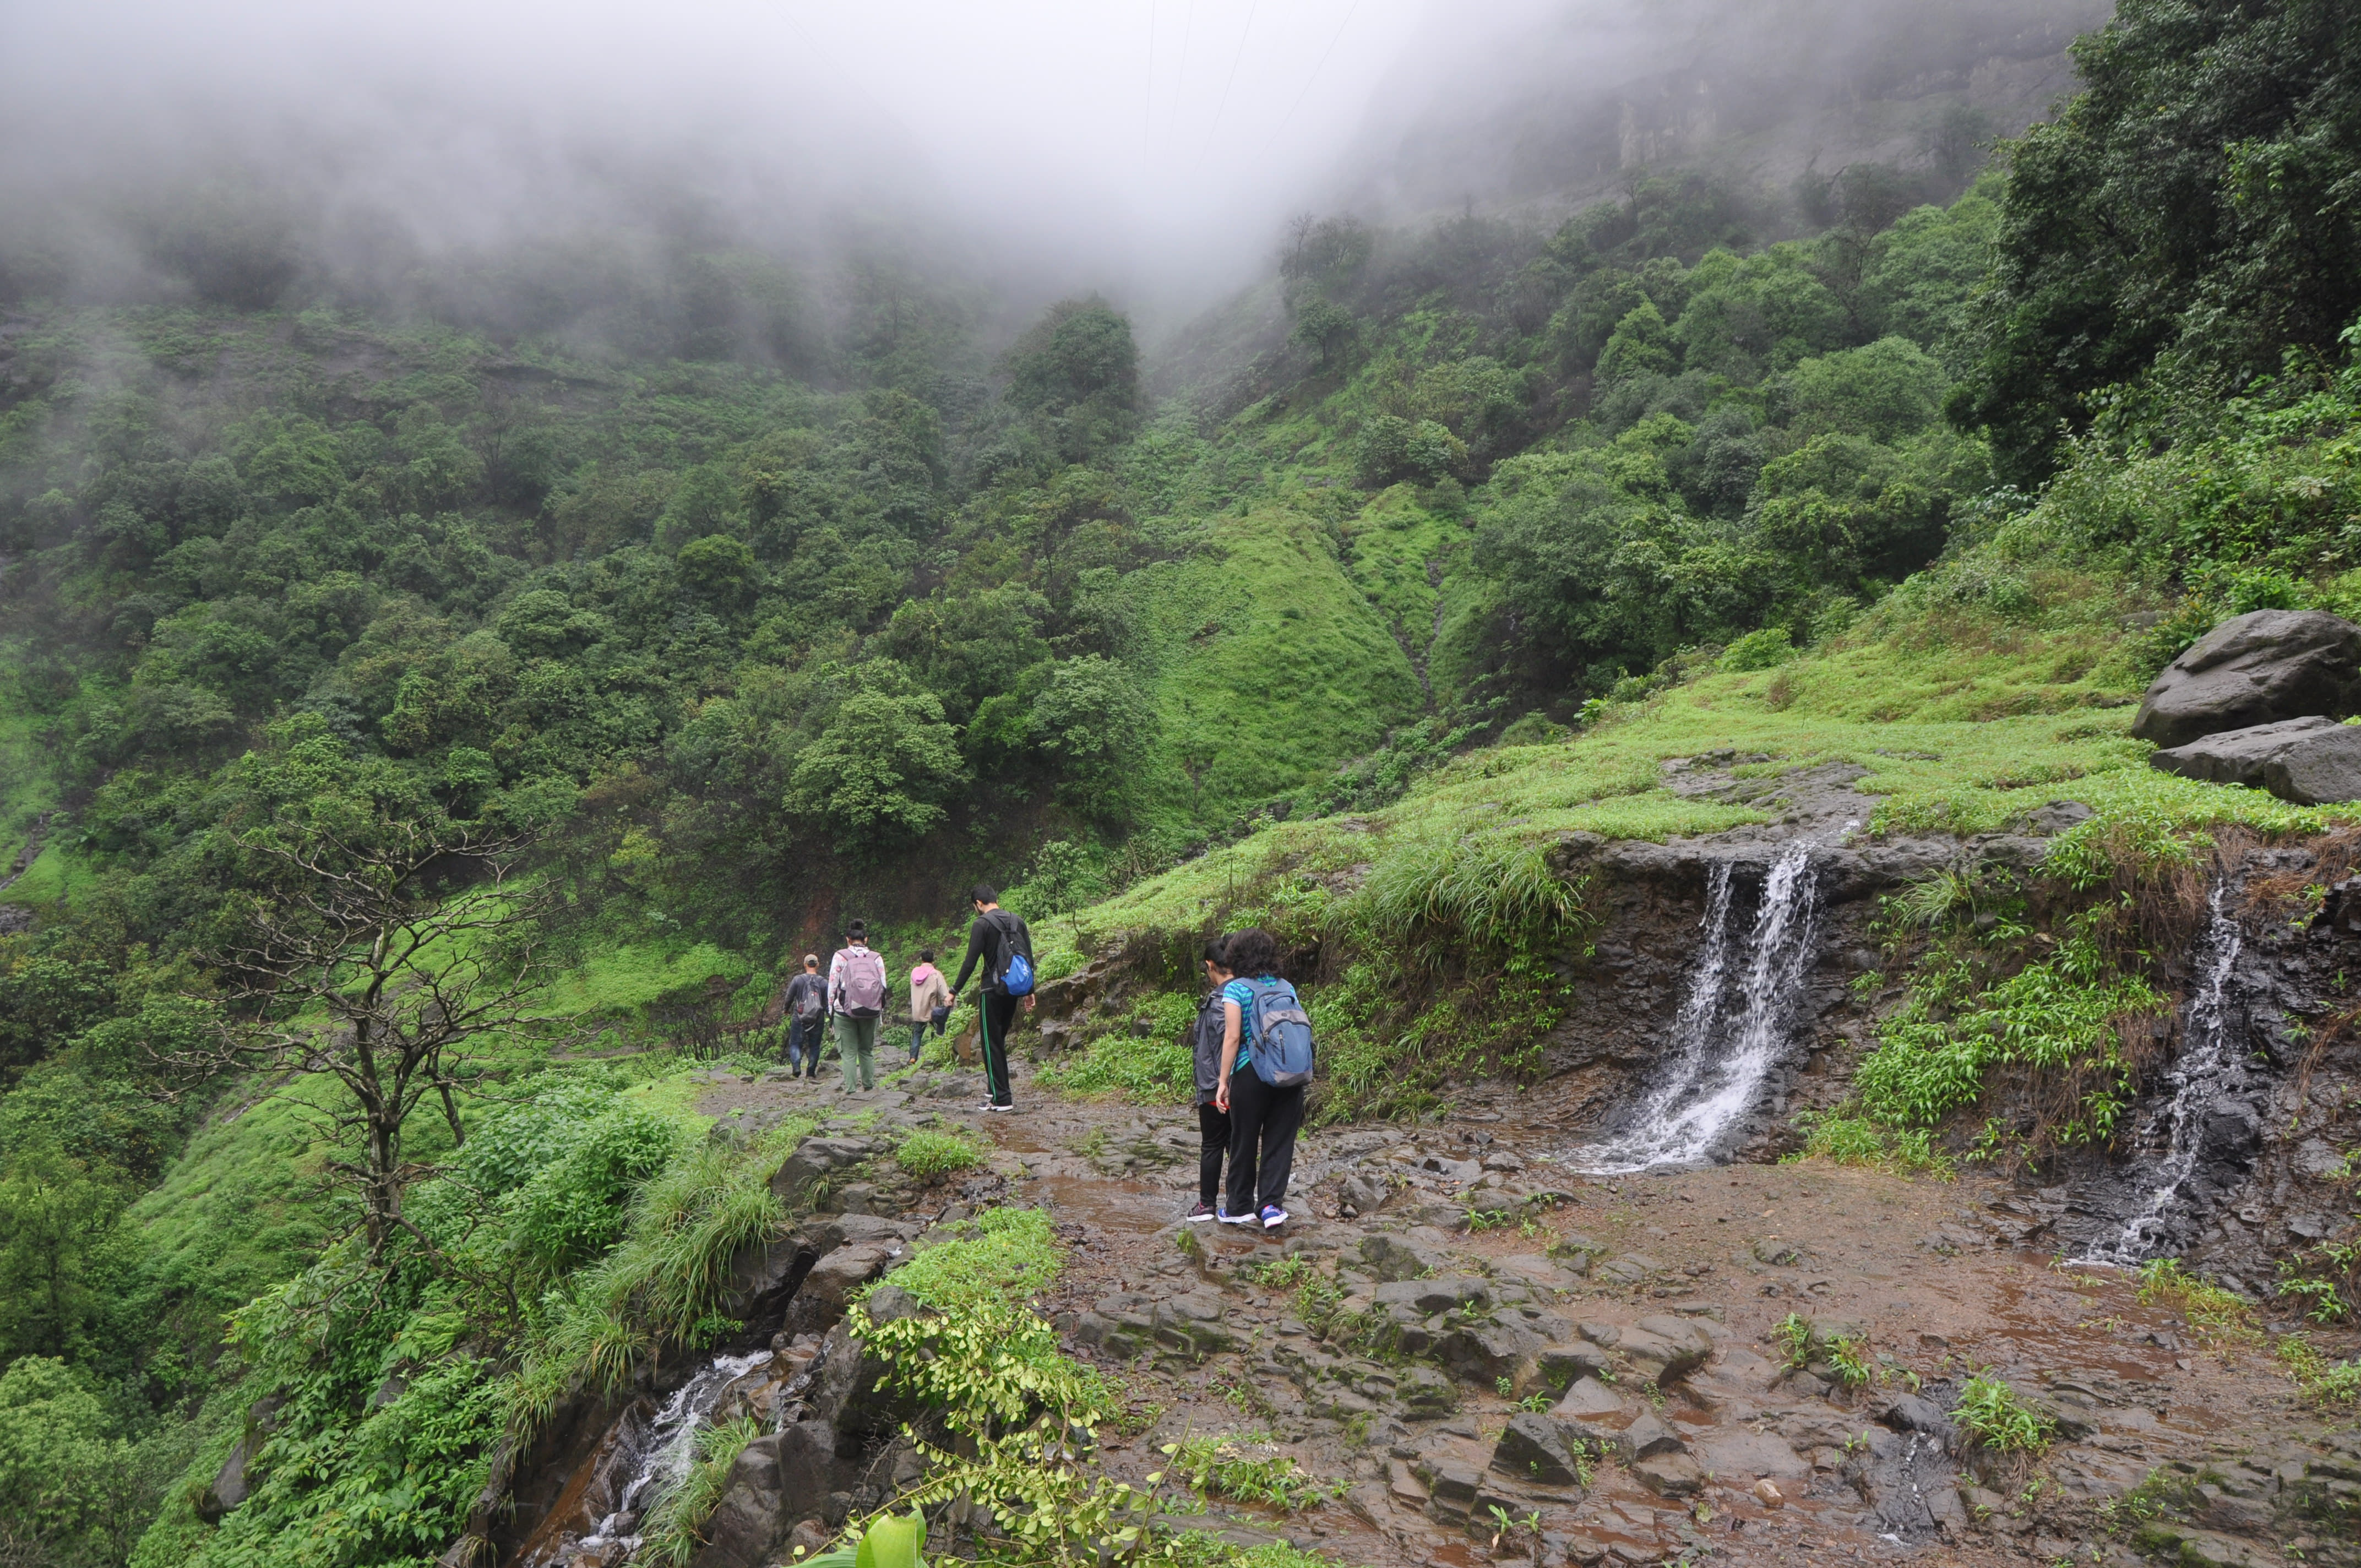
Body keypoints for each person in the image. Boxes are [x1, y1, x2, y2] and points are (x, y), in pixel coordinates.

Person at [1212, 926, 1304, 1230]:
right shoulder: (1286, 986)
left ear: (1237, 957)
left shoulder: (1236, 989)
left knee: (1244, 1139)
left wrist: (1223, 1082)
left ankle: (1239, 1206)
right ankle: (1270, 1206)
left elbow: (1233, 1037)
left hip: (1250, 1073)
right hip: (1288, 1072)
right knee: (1280, 1140)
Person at [948, 882, 1032, 1112]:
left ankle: (1002, 1099)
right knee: (997, 1043)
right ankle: (993, 1090)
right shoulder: (1017, 921)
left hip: (991, 991)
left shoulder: (982, 924)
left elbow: (970, 961)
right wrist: (1030, 992)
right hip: (1013, 989)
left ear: (979, 903)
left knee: (990, 1044)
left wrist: (954, 990)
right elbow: (1028, 957)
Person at [1184, 935, 1234, 1222]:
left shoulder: (1220, 1000)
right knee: (1238, 1144)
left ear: (1210, 966)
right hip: (1240, 1086)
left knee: (1213, 1144)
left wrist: (1218, 1084)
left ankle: (1206, 1205)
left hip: (1216, 1086)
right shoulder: (1244, 994)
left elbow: (1226, 1040)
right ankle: (1241, 1200)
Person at [828, 921, 889, 1092]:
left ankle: (851, 1090)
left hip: (844, 1011)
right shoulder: (876, 958)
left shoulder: (840, 956)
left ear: (848, 939)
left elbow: (832, 985)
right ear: (866, 939)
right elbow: (883, 987)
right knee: (866, 1051)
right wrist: (880, 1012)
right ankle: (869, 1087)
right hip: (871, 1011)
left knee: (848, 1054)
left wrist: (830, 1010)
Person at [782, 954, 826, 1079]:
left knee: (795, 1043)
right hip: (818, 1017)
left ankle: (796, 1067)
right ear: (818, 965)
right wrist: (832, 1017)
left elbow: (789, 997)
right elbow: (827, 1002)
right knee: (815, 1045)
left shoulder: (798, 980)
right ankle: (811, 1072)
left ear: (805, 965)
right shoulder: (823, 982)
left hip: (800, 1016)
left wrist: (786, 1009)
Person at [906, 948, 951, 1064]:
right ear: (933, 960)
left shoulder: (914, 973)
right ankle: (938, 1051)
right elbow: (944, 992)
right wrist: (948, 1002)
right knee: (939, 1029)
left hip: (917, 1010)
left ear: (921, 959)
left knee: (917, 1033)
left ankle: (913, 1057)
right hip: (932, 1010)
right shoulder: (936, 974)